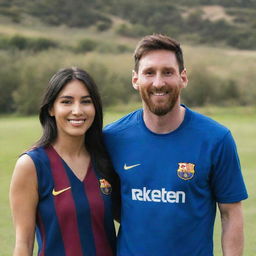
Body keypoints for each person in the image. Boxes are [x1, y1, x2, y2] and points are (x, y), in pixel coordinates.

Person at [103, 34, 248, 256]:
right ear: (135, 80)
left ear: (183, 78)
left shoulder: (216, 139)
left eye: (168, 72)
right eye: (149, 73)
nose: (158, 82)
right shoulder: (112, 138)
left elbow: (231, 213)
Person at [10, 67, 118, 256]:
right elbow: (23, 244)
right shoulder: (32, 165)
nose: (77, 111)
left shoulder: (106, 159)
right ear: (51, 108)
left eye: (86, 101)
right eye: (66, 102)